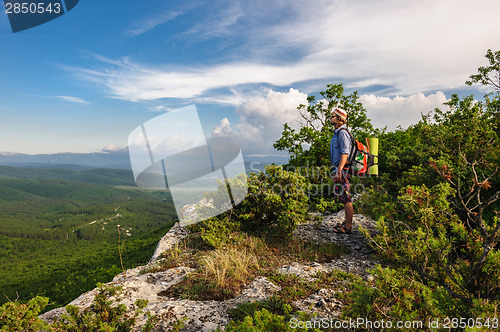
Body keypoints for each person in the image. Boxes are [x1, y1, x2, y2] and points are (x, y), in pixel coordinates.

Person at [329, 107, 353, 234]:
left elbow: (345, 153)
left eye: (332, 116)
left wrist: (339, 171)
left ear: (339, 118)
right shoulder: (337, 133)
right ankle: (346, 222)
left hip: (342, 169)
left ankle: (348, 226)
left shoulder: (342, 133)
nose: (330, 118)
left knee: (346, 197)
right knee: (343, 197)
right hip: (340, 168)